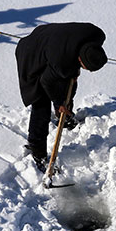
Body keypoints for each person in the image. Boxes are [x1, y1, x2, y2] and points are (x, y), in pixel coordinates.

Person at [15, 22, 107, 170]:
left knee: (67, 80)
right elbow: (47, 82)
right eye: (85, 68)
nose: (86, 72)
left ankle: (65, 117)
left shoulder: (97, 35)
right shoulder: (62, 62)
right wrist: (59, 103)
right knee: (41, 101)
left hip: (51, 41)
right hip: (31, 52)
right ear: (79, 59)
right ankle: (37, 151)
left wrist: (65, 102)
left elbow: (68, 76)